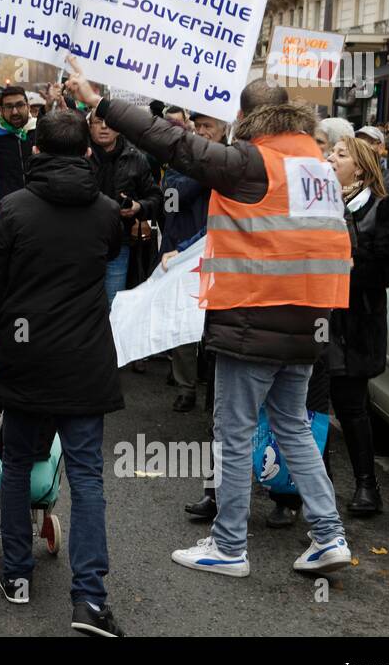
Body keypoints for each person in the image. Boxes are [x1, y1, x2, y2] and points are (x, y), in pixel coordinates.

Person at [69, 68, 353, 577]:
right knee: (291, 426)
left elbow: (174, 144)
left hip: (254, 316)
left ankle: (229, 546)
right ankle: (329, 535)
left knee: (233, 431)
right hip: (310, 318)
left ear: (244, 118)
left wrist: (105, 104)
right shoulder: (316, 164)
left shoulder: (251, 162)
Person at [0, 110, 125, 636]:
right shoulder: (105, 211)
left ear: (34, 151)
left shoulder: (13, 210)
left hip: (27, 356)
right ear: (87, 153)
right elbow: (112, 253)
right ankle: (90, 601)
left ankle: (16, 575)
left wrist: (0, 336)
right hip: (86, 360)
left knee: (16, 465)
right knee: (87, 478)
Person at [324, 136, 389, 517]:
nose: (330, 158)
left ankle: (366, 486)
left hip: (355, 326)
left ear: (358, 167)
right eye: (331, 153)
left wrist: (349, 264)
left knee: (351, 406)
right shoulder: (317, 202)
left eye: (340, 155)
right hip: (317, 320)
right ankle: (312, 485)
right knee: (310, 405)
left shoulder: (383, 209)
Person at [161, 111, 224, 413]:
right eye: (197, 126)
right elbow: (171, 196)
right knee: (183, 325)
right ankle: (185, 388)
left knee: (216, 330)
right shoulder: (183, 157)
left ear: (223, 130)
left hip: (219, 255)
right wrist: (205, 172)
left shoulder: (234, 161)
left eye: (208, 126)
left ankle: (215, 395)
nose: (201, 131)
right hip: (182, 252)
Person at [88, 105, 163, 306]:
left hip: (120, 242)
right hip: (84, 243)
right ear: (89, 126)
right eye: (97, 122)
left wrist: (139, 206)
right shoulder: (80, 156)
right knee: (86, 303)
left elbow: (156, 196)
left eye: (110, 123)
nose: (104, 127)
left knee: (114, 301)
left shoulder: (136, 157)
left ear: (119, 127)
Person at [0, 85, 35, 203]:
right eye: (9, 107)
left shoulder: (31, 136)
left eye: (20, 105)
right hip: (2, 212)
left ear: (28, 107)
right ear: (1, 110)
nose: (15, 112)